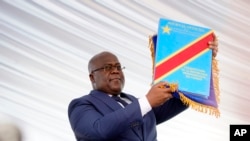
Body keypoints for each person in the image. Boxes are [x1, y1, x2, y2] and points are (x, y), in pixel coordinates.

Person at [68, 37, 218, 141]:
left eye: (118, 67)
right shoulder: (81, 105)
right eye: (107, 68)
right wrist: (147, 101)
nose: (115, 71)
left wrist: (202, 61)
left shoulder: (133, 102)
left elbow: (182, 98)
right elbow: (99, 131)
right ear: (92, 77)